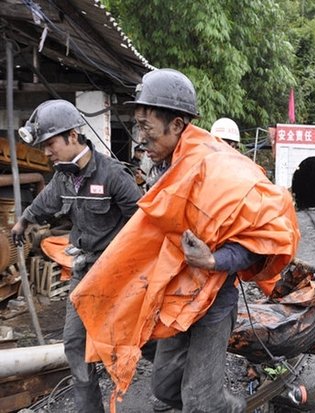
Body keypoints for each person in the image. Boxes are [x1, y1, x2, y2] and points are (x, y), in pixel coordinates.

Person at [70, 68, 300, 413]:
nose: (141, 139)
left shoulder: (219, 168)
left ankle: (229, 407)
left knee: (199, 398)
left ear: (176, 125)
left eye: (147, 128)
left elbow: (263, 236)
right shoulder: (166, 165)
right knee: (164, 388)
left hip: (212, 304)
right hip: (177, 297)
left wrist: (213, 261)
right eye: (139, 127)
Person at [11, 99, 143, 413]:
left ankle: (162, 390)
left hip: (116, 273)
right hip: (84, 272)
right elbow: (45, 200)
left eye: (51, 143)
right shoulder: (64, 177)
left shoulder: (112, 175)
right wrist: (24, 221)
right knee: (74, 342)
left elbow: (142, 220)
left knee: (130, 342)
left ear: (73, 136)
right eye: (43, 146)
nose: (46, 152)